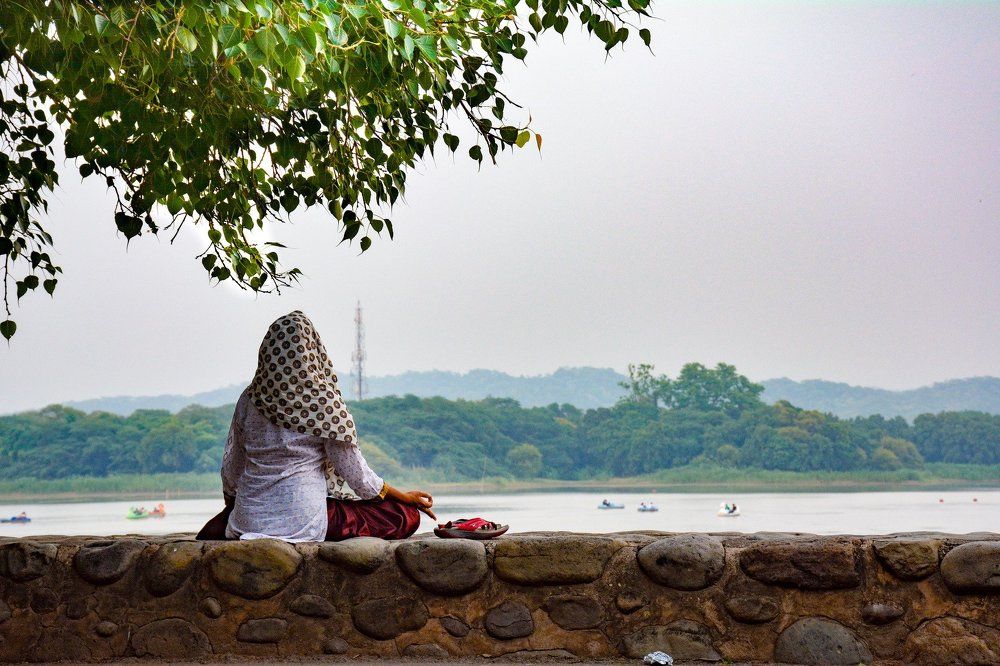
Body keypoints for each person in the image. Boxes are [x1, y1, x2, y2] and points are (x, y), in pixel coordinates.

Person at [196, 311, 435, 542]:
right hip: (304, 521)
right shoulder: (325, 404)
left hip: (246, 521)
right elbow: (359, 478)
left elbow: (232, 470)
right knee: (405, 515)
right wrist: (404, 498)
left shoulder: (249, 400)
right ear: (313, 351)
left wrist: (236, 505)